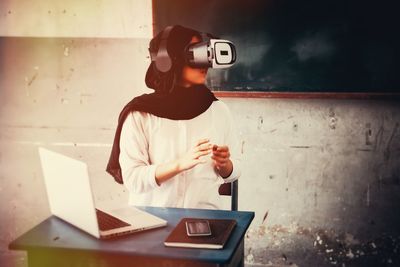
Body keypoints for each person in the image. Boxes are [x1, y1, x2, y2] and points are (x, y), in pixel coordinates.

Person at [106, 25, 241, 210]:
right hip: (151, 219)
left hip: (206, 218)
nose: (206, 64)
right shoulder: (140, 114)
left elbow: (235, 172)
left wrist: (225, 165)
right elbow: (133, 180)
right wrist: (179, 164)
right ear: (167, 60)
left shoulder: (218, 111)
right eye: (196, 53)